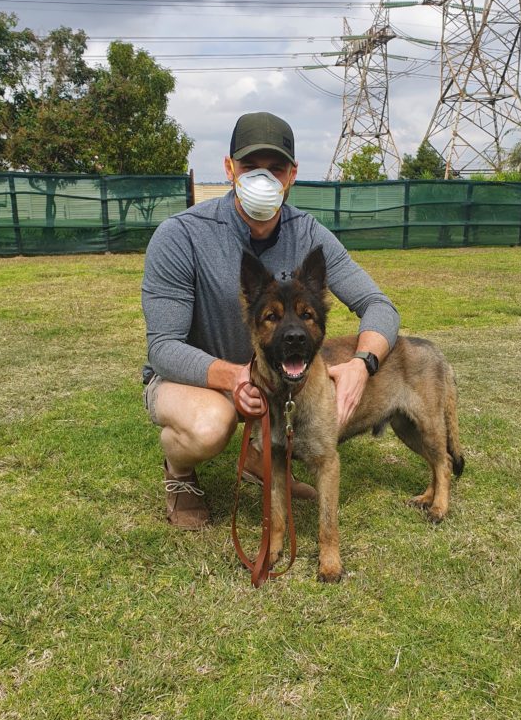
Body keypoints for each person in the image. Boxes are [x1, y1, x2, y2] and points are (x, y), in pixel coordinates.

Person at [141, 111, 400, 529]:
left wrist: (363, 363)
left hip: (273, 380)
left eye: (275, 168)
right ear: (229, 168)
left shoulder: (310, 234)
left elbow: (379, 305)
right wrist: (234, 377)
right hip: (195, 382)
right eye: (249, 167)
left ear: (292, 174)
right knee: (211, 424)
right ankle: (180, 473)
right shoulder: (180, 235)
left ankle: (264, 459)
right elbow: (163, 348)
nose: (262, 179)